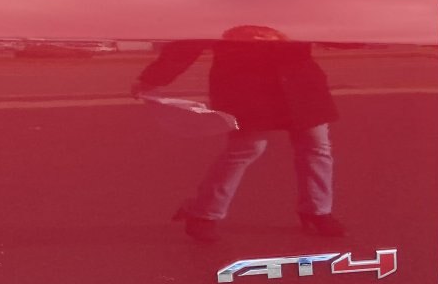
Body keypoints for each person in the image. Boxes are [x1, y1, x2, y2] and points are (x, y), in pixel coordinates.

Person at [134, 24, 341, 241]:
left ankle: (318, 211)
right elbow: (190, 42)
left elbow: (334, 28)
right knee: (247, 148)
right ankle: (203, 213)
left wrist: (366, 28)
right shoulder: (226, 4)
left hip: (302, 84)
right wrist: (152, 79)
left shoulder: (298, 0)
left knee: (316, 146)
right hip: (246, 86)